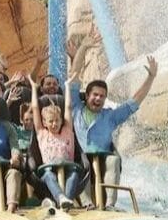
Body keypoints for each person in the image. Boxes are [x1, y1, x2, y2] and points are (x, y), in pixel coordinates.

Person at [68, 55, 159, 208]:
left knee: (114, 160)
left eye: (102, 96)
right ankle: (86, 204)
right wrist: (82, 49)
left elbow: (134, 102)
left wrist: (151, 77)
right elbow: (73, 78)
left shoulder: (110, 116)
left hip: (103, 158)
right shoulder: (77, 109)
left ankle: (110, 204)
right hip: (81, 158)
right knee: (79, 164)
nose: (98, 98)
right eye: (95, 95)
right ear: (87, 95)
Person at [30, 75, 83, 209]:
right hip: (49, 170)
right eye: (50, 121)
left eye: (57, 121)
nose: (54, 124)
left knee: (75, 174)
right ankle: (60, 197)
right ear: (44, 123)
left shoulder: (67, 131)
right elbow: (35, 108)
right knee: (48, 175)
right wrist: (33, 88)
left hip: (68, 167)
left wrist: (67, 86)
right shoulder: (42, 133)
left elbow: (69, 108)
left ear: (61, 121)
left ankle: (66, 201)